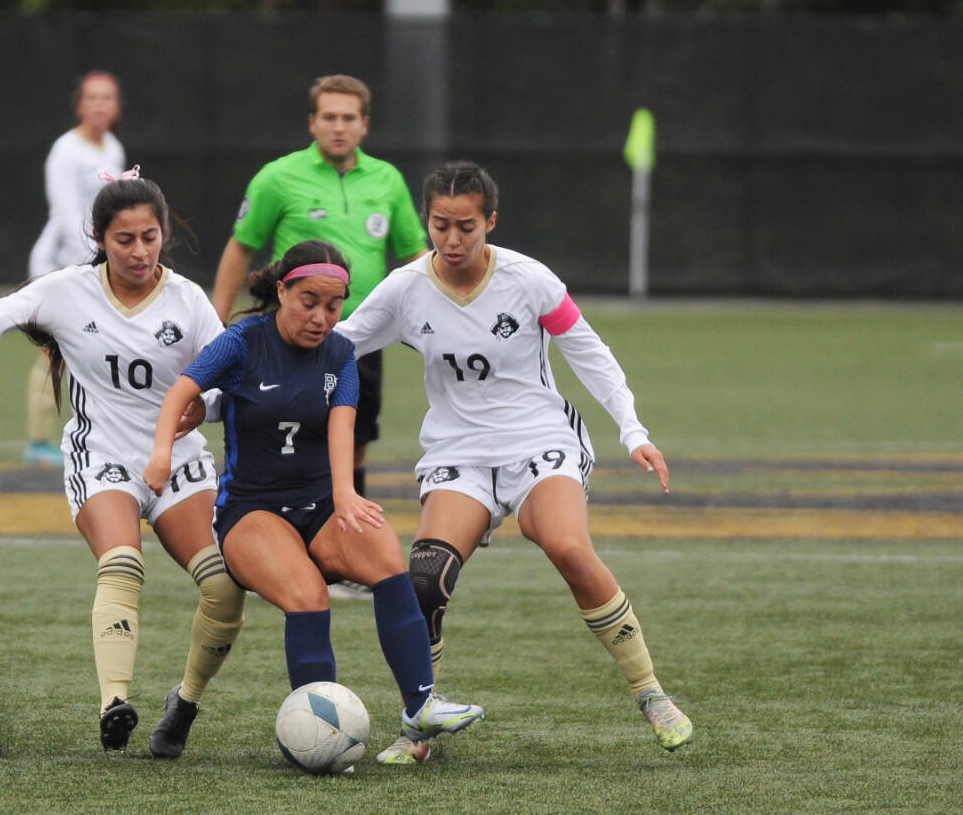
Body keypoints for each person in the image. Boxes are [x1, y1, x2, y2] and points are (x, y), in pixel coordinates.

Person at [0, 170, 245, 760]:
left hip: (178, 462)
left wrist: (203, 408)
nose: (139, 251)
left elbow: (230, 386)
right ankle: (114, 704)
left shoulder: (188, 301)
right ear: (101, 238)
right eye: (125, 239)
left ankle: (183, 704)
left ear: (164, 237)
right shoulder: (65, 290)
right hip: (103, 458)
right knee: (123, 563)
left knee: (224, 587)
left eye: (150, 237)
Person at [336, 161, 693, 761]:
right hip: (458, 453)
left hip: (538, 440)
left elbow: (590, 353)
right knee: (424, 578)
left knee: (566, 546)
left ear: (490, 223)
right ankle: (423, 726)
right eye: (440, 225)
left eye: (466, 227)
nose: (451, 240)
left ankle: (651, 692)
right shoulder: (405, 288)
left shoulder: (530, 281)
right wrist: (231, 383)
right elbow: (340, 342)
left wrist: (633, 430)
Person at [145, 240, 483, 766]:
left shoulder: (341, 352)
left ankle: (420, 705)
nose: (322, 317)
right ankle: (317, 740)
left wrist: (346, 497)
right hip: (251, 511)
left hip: (320, 503)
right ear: (282, 290)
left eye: (334, 304)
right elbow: (180, 392)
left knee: (390, 562)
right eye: (309, 301)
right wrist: (162, 453)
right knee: (308, 596)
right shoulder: (242, 341)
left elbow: (342, 424)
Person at [210, 75, 427, 601]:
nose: (338, 126)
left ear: (365, 124)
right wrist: (214, 322)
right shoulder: (278, 178)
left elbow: (417, 257)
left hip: (359, 339)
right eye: (328, 116)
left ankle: (344, 551)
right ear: (312, 122)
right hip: (283, 339)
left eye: (348, 117)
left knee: (352, 443)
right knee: (270, 434)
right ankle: (264, 545)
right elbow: (242, 247)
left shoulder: (388, 181)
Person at [24, 70, 128, 466]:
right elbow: (67, 214)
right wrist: (93, 264)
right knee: (54, 351)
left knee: (100, 348)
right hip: (60, 262)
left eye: (109, 98)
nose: (101, 105)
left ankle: (101, 433)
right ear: (80, 105)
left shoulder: (112, 149)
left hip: (99, 263)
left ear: (117, 107)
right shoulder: (65, 150)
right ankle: (37, 443)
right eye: (93, 98)